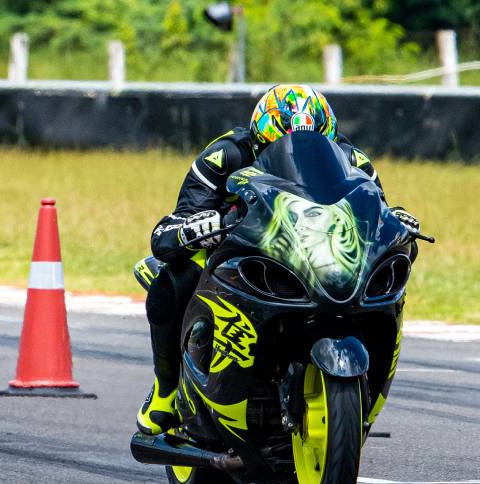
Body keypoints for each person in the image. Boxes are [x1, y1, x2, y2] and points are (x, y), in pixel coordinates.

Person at [137, 84, 390, 435]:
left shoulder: (353, 160)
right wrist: (201, 226)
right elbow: (169, 233)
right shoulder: (225, 155)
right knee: (176, 275)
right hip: (242, 249)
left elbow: (375, 214)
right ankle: (166, 389)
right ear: (260, 138)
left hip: (316, 252)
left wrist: (395, 225)